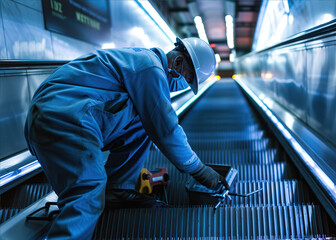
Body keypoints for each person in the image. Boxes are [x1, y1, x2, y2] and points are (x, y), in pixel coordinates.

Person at [24, 37, 228, 239]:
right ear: (177, 63)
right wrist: (199, 170)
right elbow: (167, 129)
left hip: (67, 115)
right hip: (63, 117)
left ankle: (117, 189)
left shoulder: (144, 64)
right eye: (188, 78)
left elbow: (155, 125)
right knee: (87, 193)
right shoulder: (151, 68)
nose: (184, 85)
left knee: (144, 122)